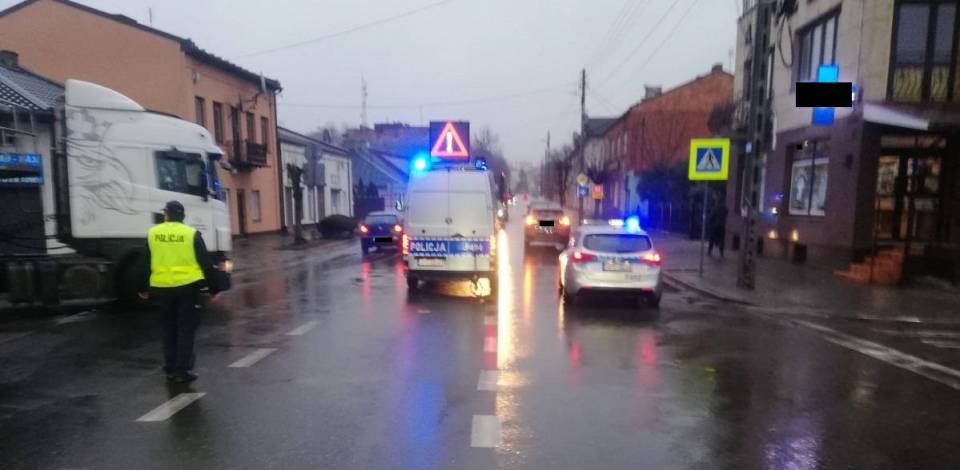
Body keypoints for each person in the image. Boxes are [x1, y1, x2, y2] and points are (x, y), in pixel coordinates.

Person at [138, 201, 221, 384]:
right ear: (182, 216)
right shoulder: (191, 234)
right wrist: (214, 289)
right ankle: (182, 371)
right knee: (185, 329)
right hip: (187, 288)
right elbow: (206, 264)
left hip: (162, 288)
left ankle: (170, 368)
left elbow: (144, 262)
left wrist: (142, 288)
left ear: (166, 215)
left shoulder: (153, 233)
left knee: (168, 328)